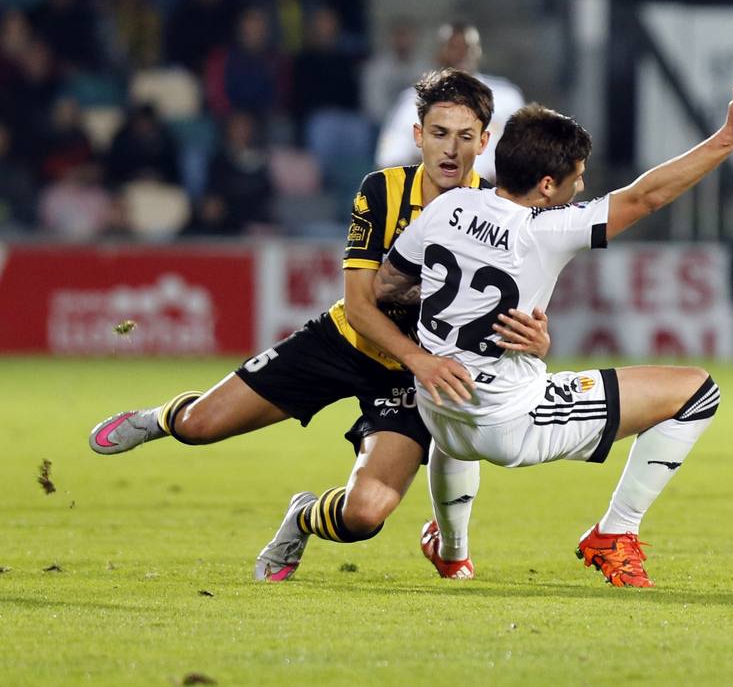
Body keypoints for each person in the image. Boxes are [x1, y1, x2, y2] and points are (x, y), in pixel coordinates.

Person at [87, 70, 549, 580]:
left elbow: (512, 313)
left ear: (485, 142)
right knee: (200, 428)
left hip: (411, 382)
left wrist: (537, 341)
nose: (451, 150)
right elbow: (359, 305)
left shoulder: (506, 215)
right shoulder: (381, 189)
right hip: (347, 343)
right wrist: (420, 354)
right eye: (439, 133)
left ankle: (301, 516)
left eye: (465, 137)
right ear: (418, 135)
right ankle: (159, 419)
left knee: (365, 515)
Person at [372, 90, 733, 587]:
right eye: (579, 175)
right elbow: (646, 196)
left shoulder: (447, 208)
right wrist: (728, 138)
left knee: (458, 427)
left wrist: (459, 301)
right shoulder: (547, 227)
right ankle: (615, 533)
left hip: (438, 405)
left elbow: (387, 285)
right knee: (698, 392)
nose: (584, 184)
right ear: (548, 185)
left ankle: (452, 551)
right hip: (511, 421)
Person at [375, 20, 523, 183]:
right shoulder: (413, 100)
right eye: (453, 47)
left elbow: (525, 153)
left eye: (467, 47)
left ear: (479, 52)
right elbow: (388, 161)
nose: (461, 54)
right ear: (439, 53)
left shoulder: (506, 96)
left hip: (495, 193)